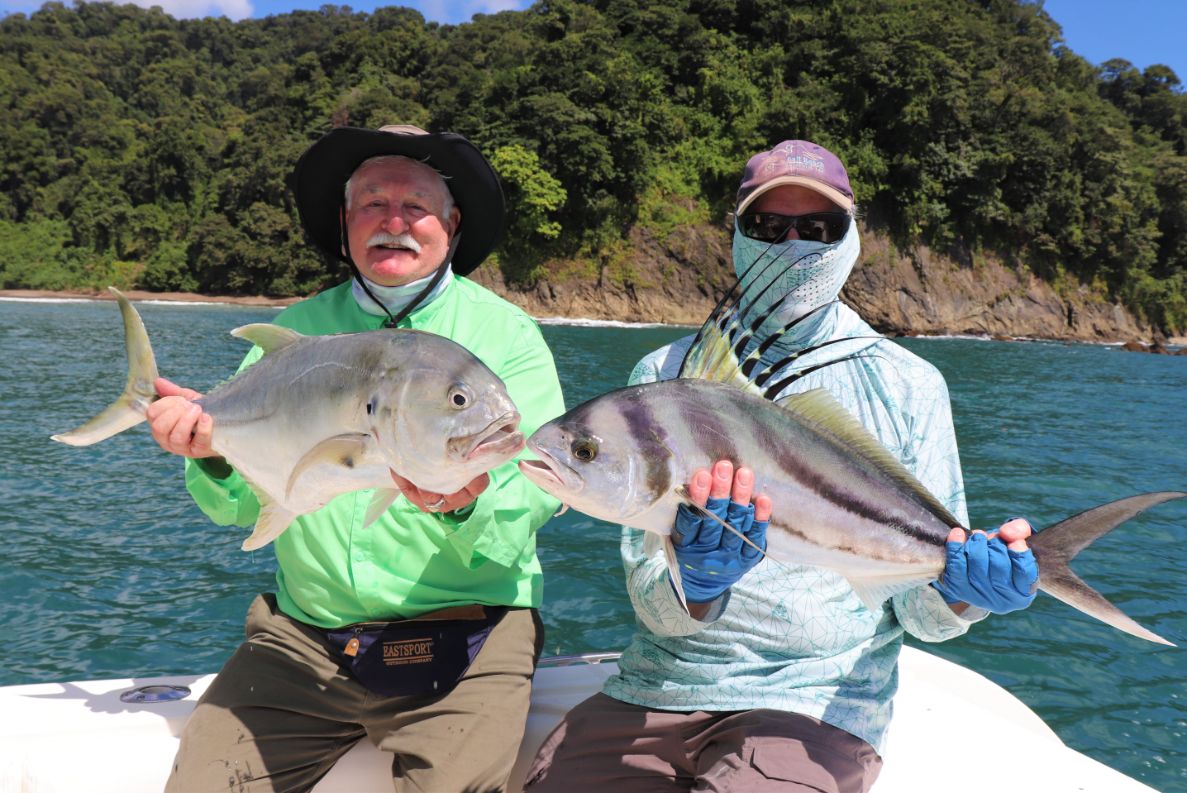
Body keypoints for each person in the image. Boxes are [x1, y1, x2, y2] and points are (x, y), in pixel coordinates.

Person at [524, 140, 1037, 792]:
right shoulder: (661, 375)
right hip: (657, 684)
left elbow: (919, 617)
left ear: (851, 236)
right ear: (736, 233)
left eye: (817, 226)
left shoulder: (908, 384)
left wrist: (963, 593)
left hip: (817, 701)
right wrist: (697, 584)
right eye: (768, 225)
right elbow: (655, 604)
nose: (791, 242)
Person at [146, 124, 566, 792]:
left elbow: (537, 490)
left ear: (452, 225)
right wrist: (210, 455)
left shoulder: (507, 337)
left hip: (467, 639)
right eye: (373, 203)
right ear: (346, 222)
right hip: (303, 641)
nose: (393, 222)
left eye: (416, 206)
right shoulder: (295, 335)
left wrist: (467, 506)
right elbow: (240, 508)